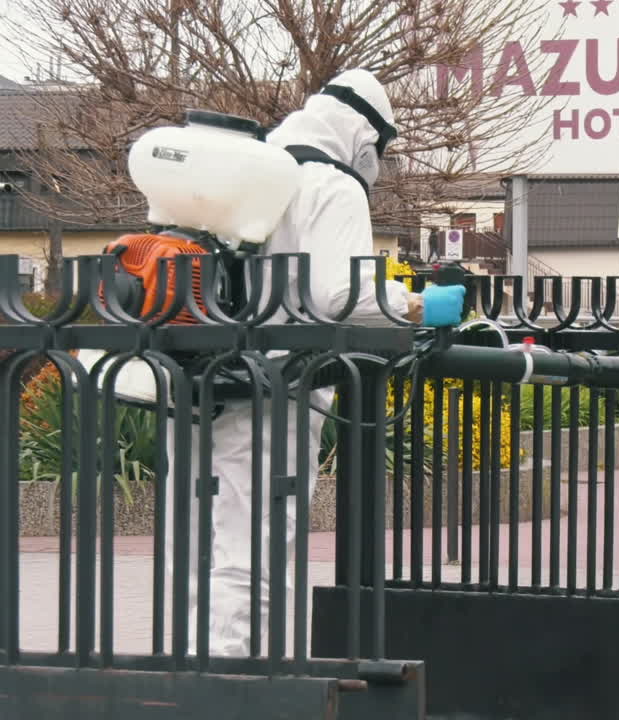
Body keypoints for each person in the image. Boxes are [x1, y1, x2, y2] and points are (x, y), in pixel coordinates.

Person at [165, 69, 432, 657]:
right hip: (275, 388)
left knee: (194, 539)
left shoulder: (248, 165)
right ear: (365, 138)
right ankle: (238, 682)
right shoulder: (332, 184)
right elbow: (341, 295)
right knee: (255, 544)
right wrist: (416, 305)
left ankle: (187, 671)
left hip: (201, 379)